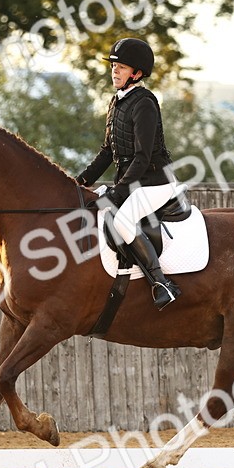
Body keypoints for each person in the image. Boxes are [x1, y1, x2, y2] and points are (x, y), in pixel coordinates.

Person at [74, 37, 182, 310]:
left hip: (156, 182)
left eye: (121, 67)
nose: (114, 71)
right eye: (113, 66)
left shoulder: (145, 102)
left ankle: (162, 283)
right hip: (134, 183)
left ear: (136, 72)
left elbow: (143, 158)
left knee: (122, 221)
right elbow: (107, 152)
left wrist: (117, 191)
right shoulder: (117, 102)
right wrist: (79, 181)